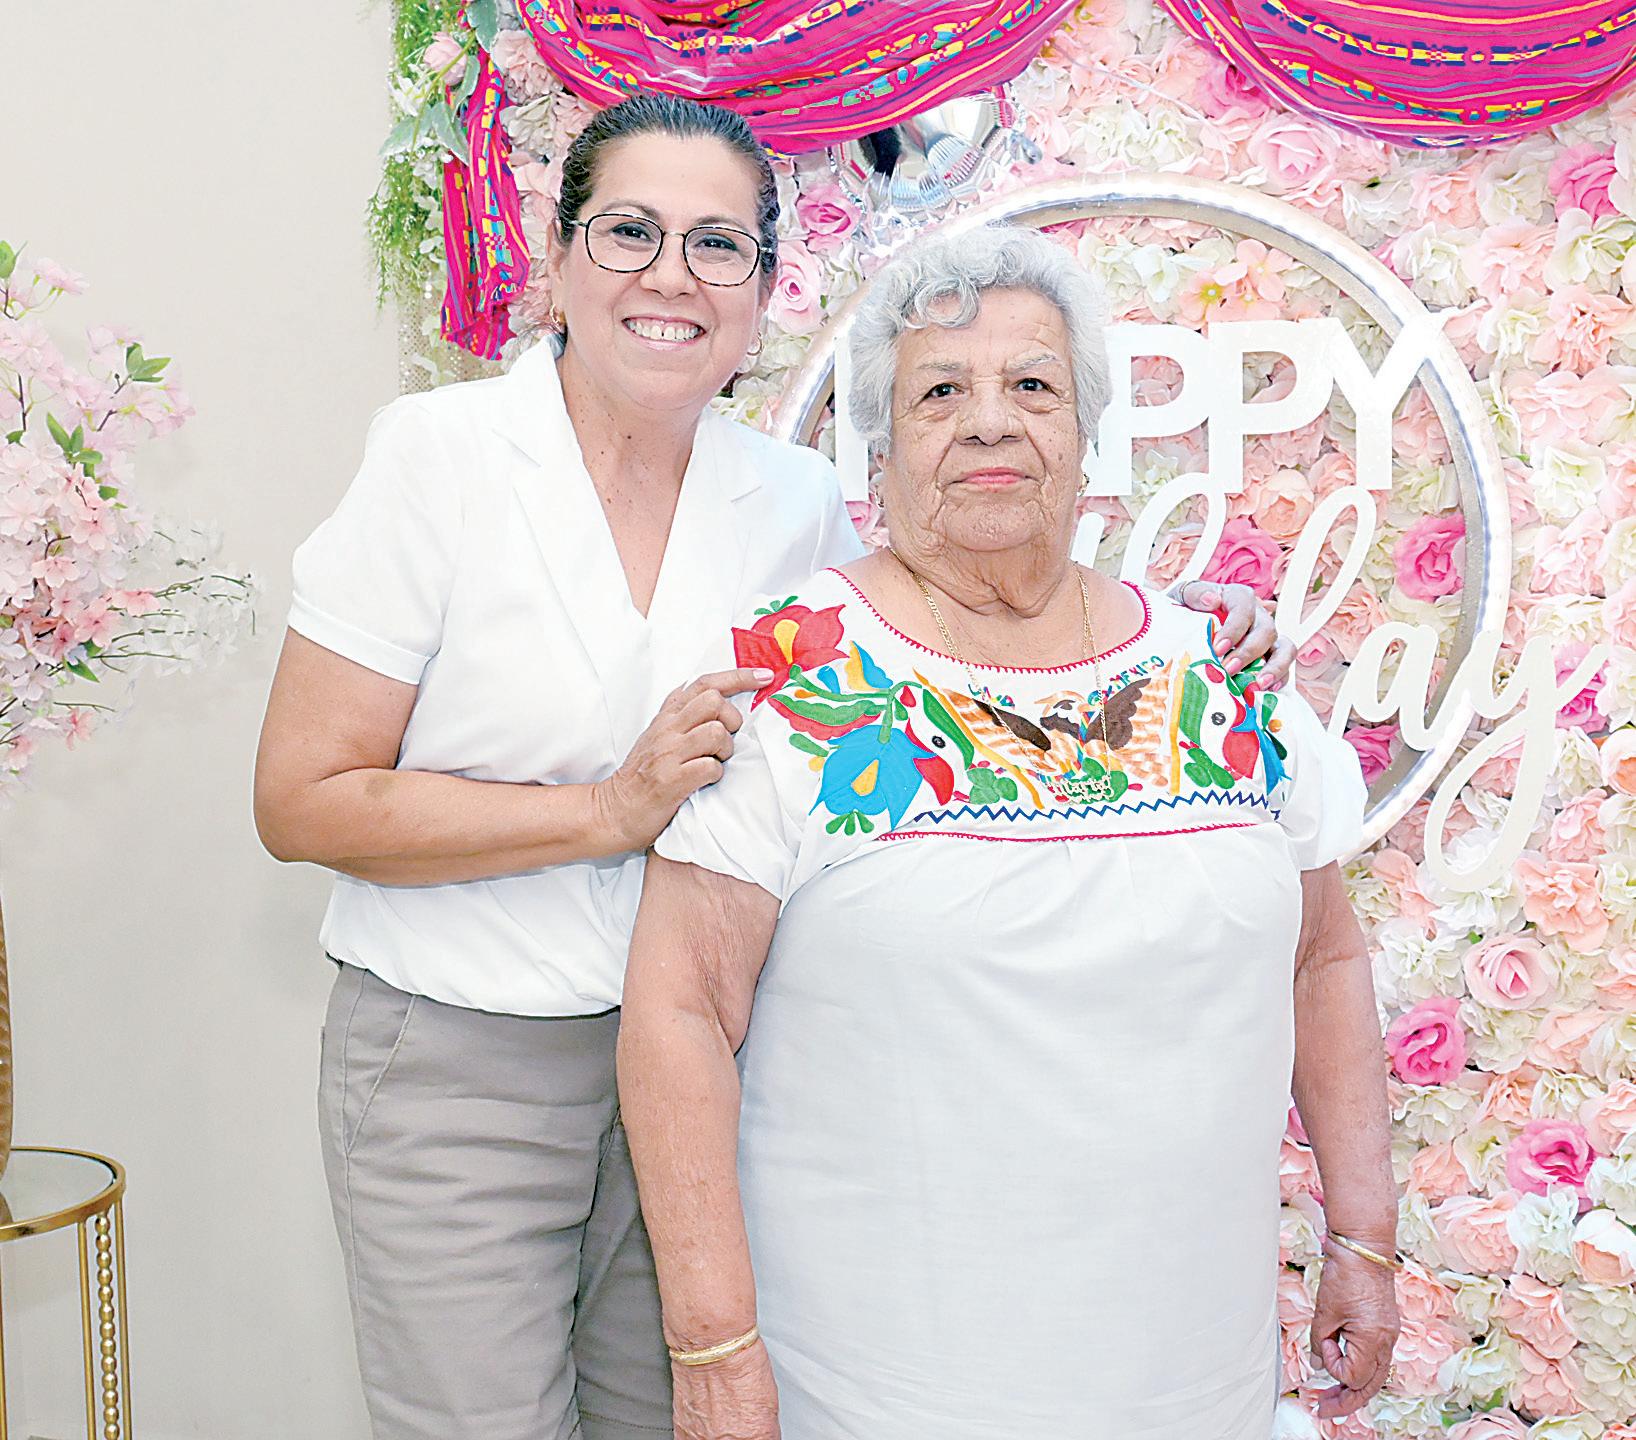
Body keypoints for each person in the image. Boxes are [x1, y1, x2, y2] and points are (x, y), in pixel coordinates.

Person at [254, 95, 1289, 1440]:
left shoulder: (793, 501)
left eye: (716, 245)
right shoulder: (438, 457)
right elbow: (303, 801)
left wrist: (1175, 626)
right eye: (629, 232)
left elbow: (957, 618)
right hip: (470, 1059)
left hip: (710, 1073)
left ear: (761, 291)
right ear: (558, 258)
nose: (670, 276)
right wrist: (605, 811)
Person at [618, 224, 1399, 1440]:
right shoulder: (796, 677)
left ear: (1085, 438)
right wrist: (713, 1351)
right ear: (879, 453)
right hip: (887, 1389)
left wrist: (1365, 1238)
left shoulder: (1219, 672)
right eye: (940, 392)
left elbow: (1322, 958)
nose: (990, 423)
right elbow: (677, 1015)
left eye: (1032, 386)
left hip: (1196, 1377)